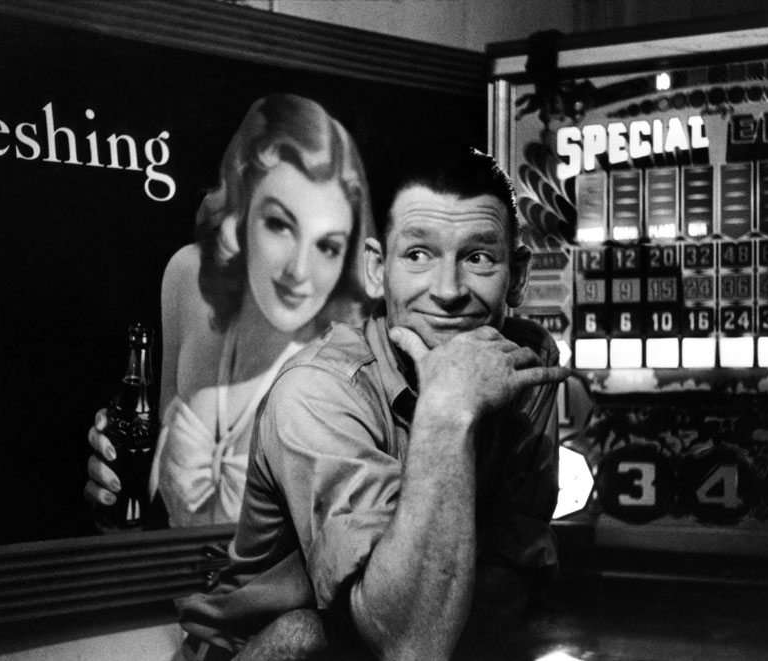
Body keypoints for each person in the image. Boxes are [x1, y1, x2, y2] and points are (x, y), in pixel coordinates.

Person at [176, 148, 571, 660]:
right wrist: (447, 413)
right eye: (418, 254)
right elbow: (409, 644)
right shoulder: (315, 389)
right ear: (378, 269)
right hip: (260, 651)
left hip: (427, 635)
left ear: (516, 276)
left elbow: (509, 576)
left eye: (478, 258)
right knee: (301, 636)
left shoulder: (525, 360)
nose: (449, 291)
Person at [84, 93, 375, 529]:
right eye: (280, 224)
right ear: (241, 209)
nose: (299, 271)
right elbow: (154, 480)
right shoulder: (186, 274)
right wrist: (114, 492)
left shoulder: (346, 361)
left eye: (328, 246)